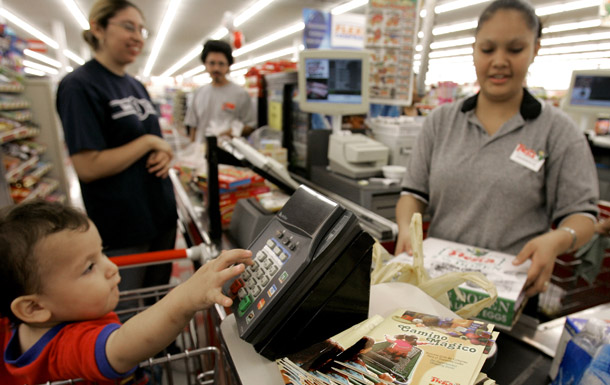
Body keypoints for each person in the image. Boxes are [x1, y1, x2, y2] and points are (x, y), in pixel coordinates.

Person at [395, 0, 599, 298]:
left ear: (535, 50)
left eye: (515, 49)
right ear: (474, 50)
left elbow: (583, 216)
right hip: (438, 288)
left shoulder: (558, 131)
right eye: (488, 49)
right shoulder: (441, 122)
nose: (499, 61)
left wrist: (557, 239)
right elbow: (413, 195)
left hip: (509, 292)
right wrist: (406, 229)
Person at [0, 199, 253, 384]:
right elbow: (122, 347)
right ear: (34, 308)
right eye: (89, 267)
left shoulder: (15, 327)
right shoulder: (63, 349)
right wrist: (186, 297)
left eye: (102, 253)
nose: (111, 267)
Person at [56, 0, 177, 297]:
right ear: (97, 28)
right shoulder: (79, 86)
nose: (137, 36)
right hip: (123, 227)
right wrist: (148, 143)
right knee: (127, 315)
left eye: (142, 30)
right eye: (128, 26)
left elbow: (157, 141)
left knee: (158, 304)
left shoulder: (136, 86)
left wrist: (163, 151)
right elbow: (88, 166)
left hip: (160, 217)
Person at [184, 39, 257, 143]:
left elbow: (250, 126)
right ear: (205, 64)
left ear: (228, 66)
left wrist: (233, 132)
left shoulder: (241, 94)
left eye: (221, 64)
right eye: (212, 63)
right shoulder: (198, 93)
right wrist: (193, 151)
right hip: (202, 152)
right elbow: (193, 126)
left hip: (230, 152)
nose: (216, 68)